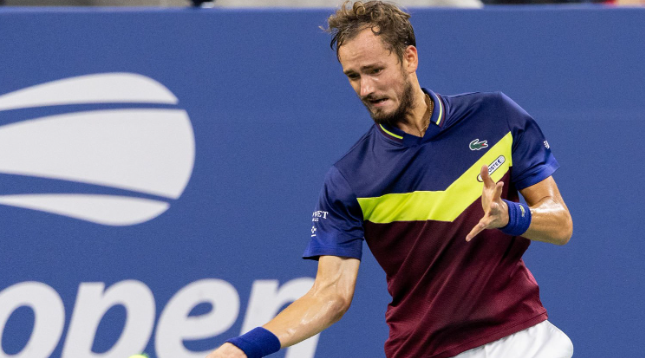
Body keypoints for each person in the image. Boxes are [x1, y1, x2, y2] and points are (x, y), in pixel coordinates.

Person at [207, 1, 574, 357]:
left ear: (409, 58)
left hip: (523, 338)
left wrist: (511, 216)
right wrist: (241, 349)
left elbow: (560, 224)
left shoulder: (496, 117)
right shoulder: (349, 179)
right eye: (353, 76)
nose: (366, 89)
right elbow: (331, 295)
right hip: (426, 350)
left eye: (375, 70)